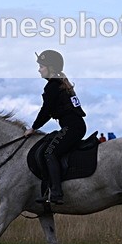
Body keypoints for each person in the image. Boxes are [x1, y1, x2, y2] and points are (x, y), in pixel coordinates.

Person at [24, 50, 86, 205]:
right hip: (75, 126)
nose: (39, 69)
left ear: (50, 68)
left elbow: (46, 111)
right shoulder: (61, 83)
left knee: (49, 152)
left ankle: (56, 193)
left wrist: (33, 128)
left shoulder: (53, 86)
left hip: (72, 127)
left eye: (41, 66)